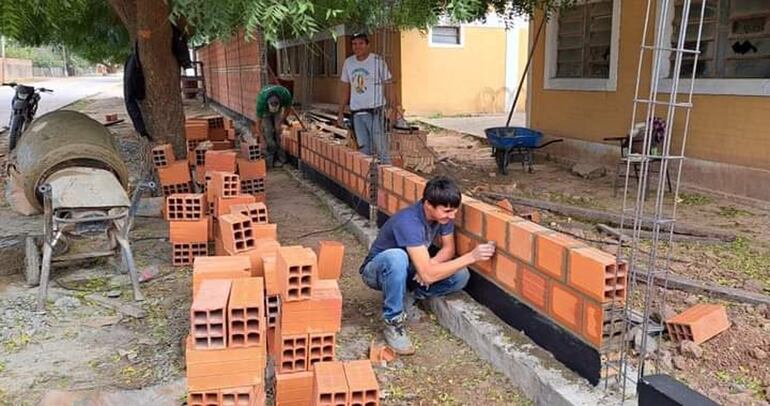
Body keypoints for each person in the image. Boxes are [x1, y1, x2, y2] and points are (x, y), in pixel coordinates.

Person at [359, 176, 496, 354]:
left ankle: (408, 296)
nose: (452, 215)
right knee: (397, 257)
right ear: (428, 205)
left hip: (409, 267)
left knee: (460, 275)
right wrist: (472, 256)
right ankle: (393, 321)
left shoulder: (443, 217)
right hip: (377, 271)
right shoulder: (409, 222)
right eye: (447, 211)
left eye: (454, 211)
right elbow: (429, 275)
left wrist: (430, 264)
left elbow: (448, 249)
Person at [337, 32, 394, 163]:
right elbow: (345, 89)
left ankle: (387, 177)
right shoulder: (348, 63)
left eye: (361, 43)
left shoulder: (377, 61)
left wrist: (394, 109)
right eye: (354, 44)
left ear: (368, 45)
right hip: (357, 114)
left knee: (382, 150)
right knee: (363, 151)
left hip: (375, 112)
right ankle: (368, 180)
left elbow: (389, 85)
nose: (357, 46)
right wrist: (340, 112)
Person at [255, 84, 293, 168]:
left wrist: (282, 120)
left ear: (279, 103)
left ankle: (282, 159)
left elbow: (288, 108)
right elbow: (257, 125)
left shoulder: (285, 94)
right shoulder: (261, 102)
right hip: (265, 111)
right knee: (268, 131)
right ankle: (271, 157)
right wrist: (262, 139)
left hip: (278, 110)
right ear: (268, 104)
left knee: (278, 130)